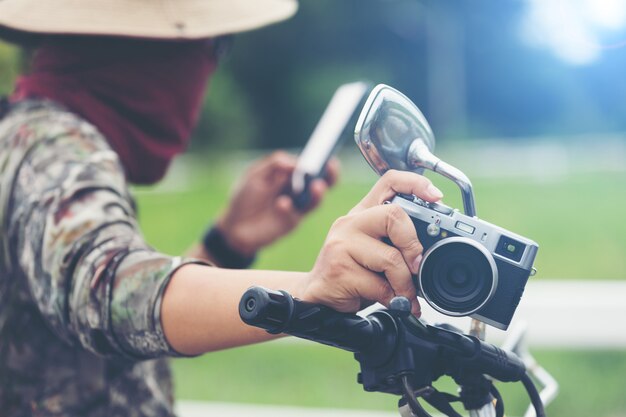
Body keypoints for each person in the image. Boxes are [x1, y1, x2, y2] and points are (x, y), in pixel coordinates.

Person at [0, 1, 444, 416]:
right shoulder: (52, 147)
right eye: (214, 47)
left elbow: (106, 320)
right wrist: (308, 289)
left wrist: (226, 242)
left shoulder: (32, 138)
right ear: (154, 50)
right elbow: (105, 286)